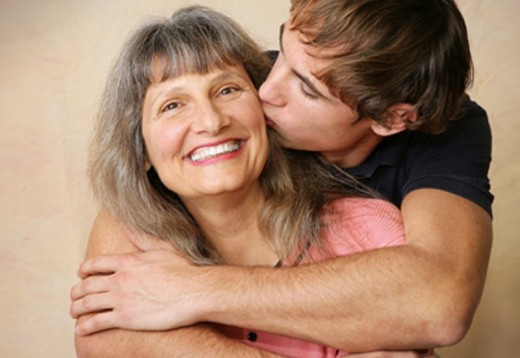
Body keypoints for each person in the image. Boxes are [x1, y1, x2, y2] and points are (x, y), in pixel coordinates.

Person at [72, 0, 493, 356]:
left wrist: (192, 289)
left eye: (307, 89)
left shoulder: (441, 141)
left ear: (392, 118)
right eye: (281, 52)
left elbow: (438, 300)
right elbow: (106, 326)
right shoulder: (246, 81)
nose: (265, 90)